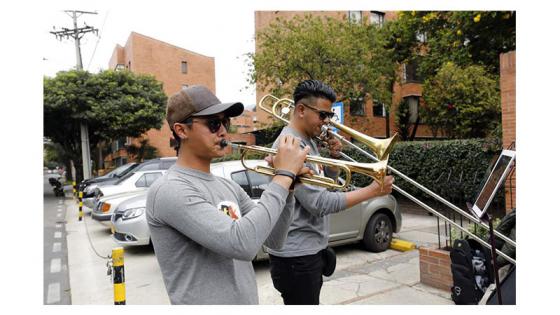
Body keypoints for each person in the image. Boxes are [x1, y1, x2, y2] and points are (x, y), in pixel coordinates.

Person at [146, 85, 310, 305]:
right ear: (181, 130)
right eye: (214, 124)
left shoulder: (228, 186)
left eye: (225, 123)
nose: (223, 131)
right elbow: (242, 244)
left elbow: (274, 240)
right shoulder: (169, 189)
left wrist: (288, 190)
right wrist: (283, 176)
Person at [266, 80, 395, 305]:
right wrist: (372, 191)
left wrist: (333, 160)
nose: (327, 122)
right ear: (301, 110)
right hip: (297, 257)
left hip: (308, 251)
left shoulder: (309, 142)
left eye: (330, 116)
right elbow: (319, 204)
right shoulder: (290, 146)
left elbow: (328, 185)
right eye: (323, 115)